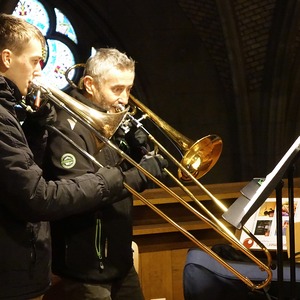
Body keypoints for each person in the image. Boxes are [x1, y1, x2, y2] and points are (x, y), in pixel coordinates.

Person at [0, 13, 167, 300]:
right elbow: (38, 195)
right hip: (64, 267)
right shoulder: (16, 118)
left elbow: (29, 168)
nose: (39, 71)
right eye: (34, 61)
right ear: (6, 58)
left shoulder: (12, 112)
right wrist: (129, 177)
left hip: (110, 260)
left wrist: (38, 125)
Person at [42, 48, 165, 300]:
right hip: (85, 267)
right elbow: (80, 192)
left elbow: (119, 174)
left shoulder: (113, 119)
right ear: (90, 84)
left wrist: (140, 149)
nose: (125, 99)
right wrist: (139, 174)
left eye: (129, 89)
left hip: (119, 261)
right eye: (117, 89)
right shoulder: (67, 125)